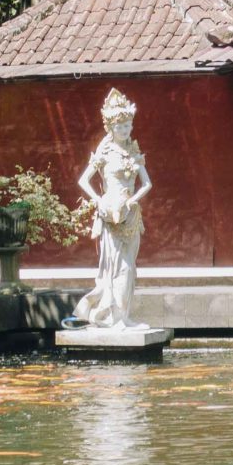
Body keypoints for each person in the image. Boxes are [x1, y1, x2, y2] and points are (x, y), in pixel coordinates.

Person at [74, 87, 152, 328]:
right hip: (111, 215)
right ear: (110, 127)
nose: (125, 130)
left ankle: (123, 317)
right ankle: (115, 317)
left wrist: (133, 199)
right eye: (119, 127)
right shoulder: (104, 153)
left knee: (130, 268)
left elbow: (147, 183)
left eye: (127, 125)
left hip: (130, 215)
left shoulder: (134, 152)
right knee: (119, 268)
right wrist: (99, 200)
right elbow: (83, 180)